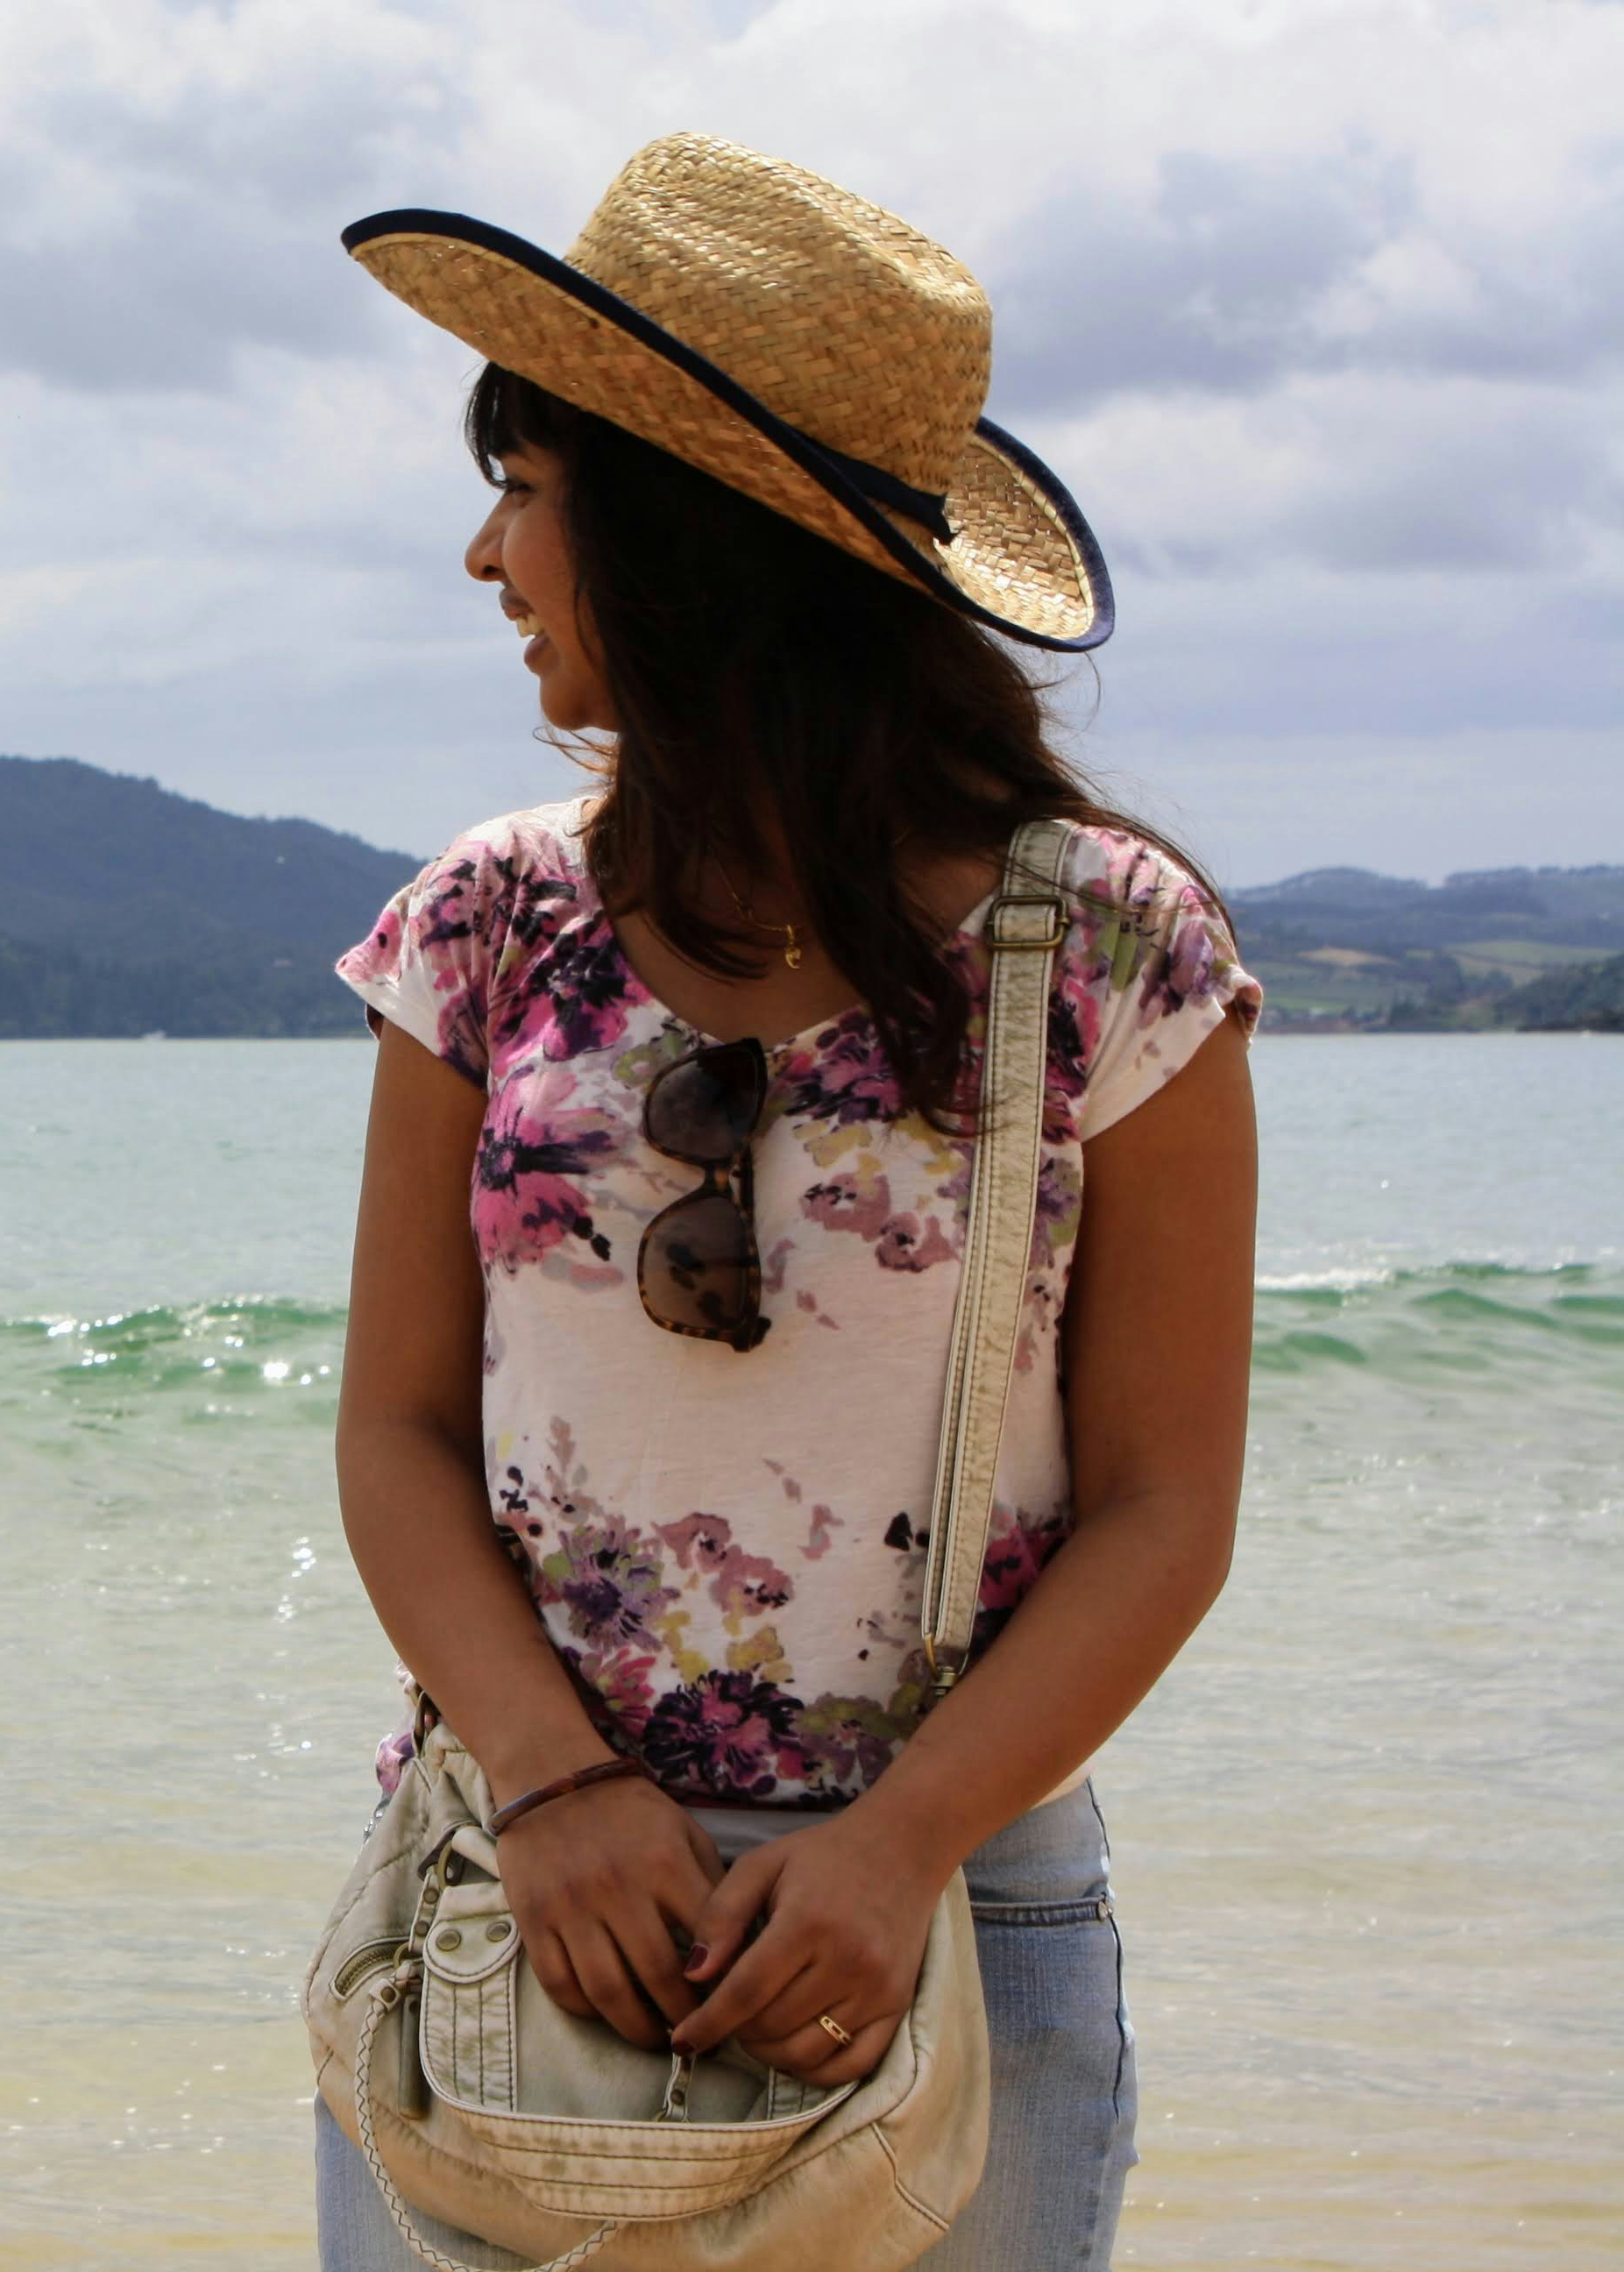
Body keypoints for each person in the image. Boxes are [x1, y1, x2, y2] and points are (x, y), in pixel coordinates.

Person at [315, 138, 1261, 2271]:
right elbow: (392, 1436)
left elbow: (1165, 1506)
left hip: (945, 1916)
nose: (486, 554)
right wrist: (558, 1795)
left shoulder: (1111, 952)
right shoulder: (481, 926)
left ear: (682, 537)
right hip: (518, 1908)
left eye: (526, 485)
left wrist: (900, 1844)